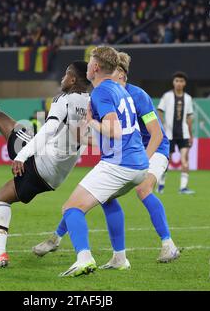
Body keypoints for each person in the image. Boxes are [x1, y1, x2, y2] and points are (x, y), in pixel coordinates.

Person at [0, 52, 91, 267]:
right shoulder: (91, 103)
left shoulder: (64, 99)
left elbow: (48, 129)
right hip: (56, 177)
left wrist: (21, 156)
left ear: (73, 79)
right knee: (3, 193)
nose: (62, 79)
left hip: (41, 162)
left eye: (66, 75)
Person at [33, 52, 180, 265]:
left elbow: (156, 134)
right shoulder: (106, 95)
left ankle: (169, 245)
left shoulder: (137, 96)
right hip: (125, 155)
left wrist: (144, 161)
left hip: (152, 150)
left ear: (122, 73)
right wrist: (79, 135)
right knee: (103, 197)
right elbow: (106, 136)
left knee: (142, 188)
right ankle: (114, 256)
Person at [50, 46, 149, 277]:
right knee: (108, 200)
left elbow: (113, 131)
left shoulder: (101, 92)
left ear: (95, 67)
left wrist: (91, 120)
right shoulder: (121, 90)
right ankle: (119, 258)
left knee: (71, 208)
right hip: (138, 165)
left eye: (90, 62)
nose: (88, 66)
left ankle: (84, 258)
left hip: (119, 164)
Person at [157, 71, 195, 194]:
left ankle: (183, 188)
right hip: (169, 134)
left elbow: (189, 118)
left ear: (184, 83)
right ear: (173, 82)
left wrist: (190, 134)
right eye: (177, 81)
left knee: (184, 160)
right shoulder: (167, 96)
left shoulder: (188, 98)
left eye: (181, 81)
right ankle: (161, 185)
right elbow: (160, 111)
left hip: (184, 134)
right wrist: (162, 126)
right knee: (166, 161)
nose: (179, 83)